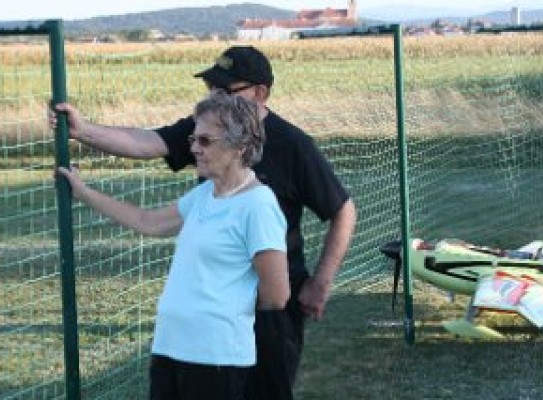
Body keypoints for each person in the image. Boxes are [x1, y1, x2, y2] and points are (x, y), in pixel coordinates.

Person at [50, 45, 356, 400]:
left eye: (226, 90)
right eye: (212, 89)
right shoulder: (207, 144)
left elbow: (342, 211)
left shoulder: (290, 148)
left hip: (265, 315)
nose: (195, 145)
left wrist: (321, 282)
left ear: (260, 93)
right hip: (199, 336)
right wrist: (83, 131)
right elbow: (149, 150)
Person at [57, 91, 290, 400]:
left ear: (240, 147)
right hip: (171, 347)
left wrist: (221, 312)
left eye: (206, 141)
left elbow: (276, 295)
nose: (194, 148)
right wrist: (84, 193)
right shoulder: (206, 194)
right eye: (194, 139)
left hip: (215, 359)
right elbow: (148, 221)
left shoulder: (258, 205)